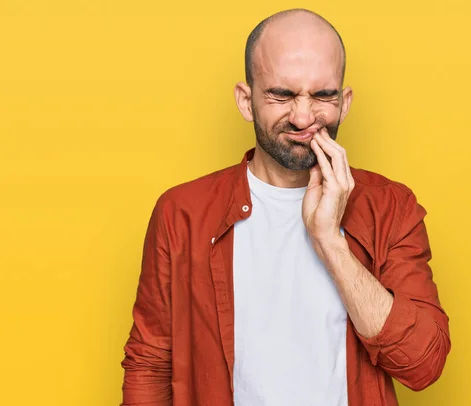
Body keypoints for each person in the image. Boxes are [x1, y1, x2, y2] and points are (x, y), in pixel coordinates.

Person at [121, 8, 450, 406]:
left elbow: (422, 364)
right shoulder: (182, 213)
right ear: (246, 101)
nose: (303, 116)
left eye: (323, 96)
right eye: (282, 94)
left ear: (344, 103)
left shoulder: (391, 207)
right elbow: (151, 363)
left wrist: (330, 242)